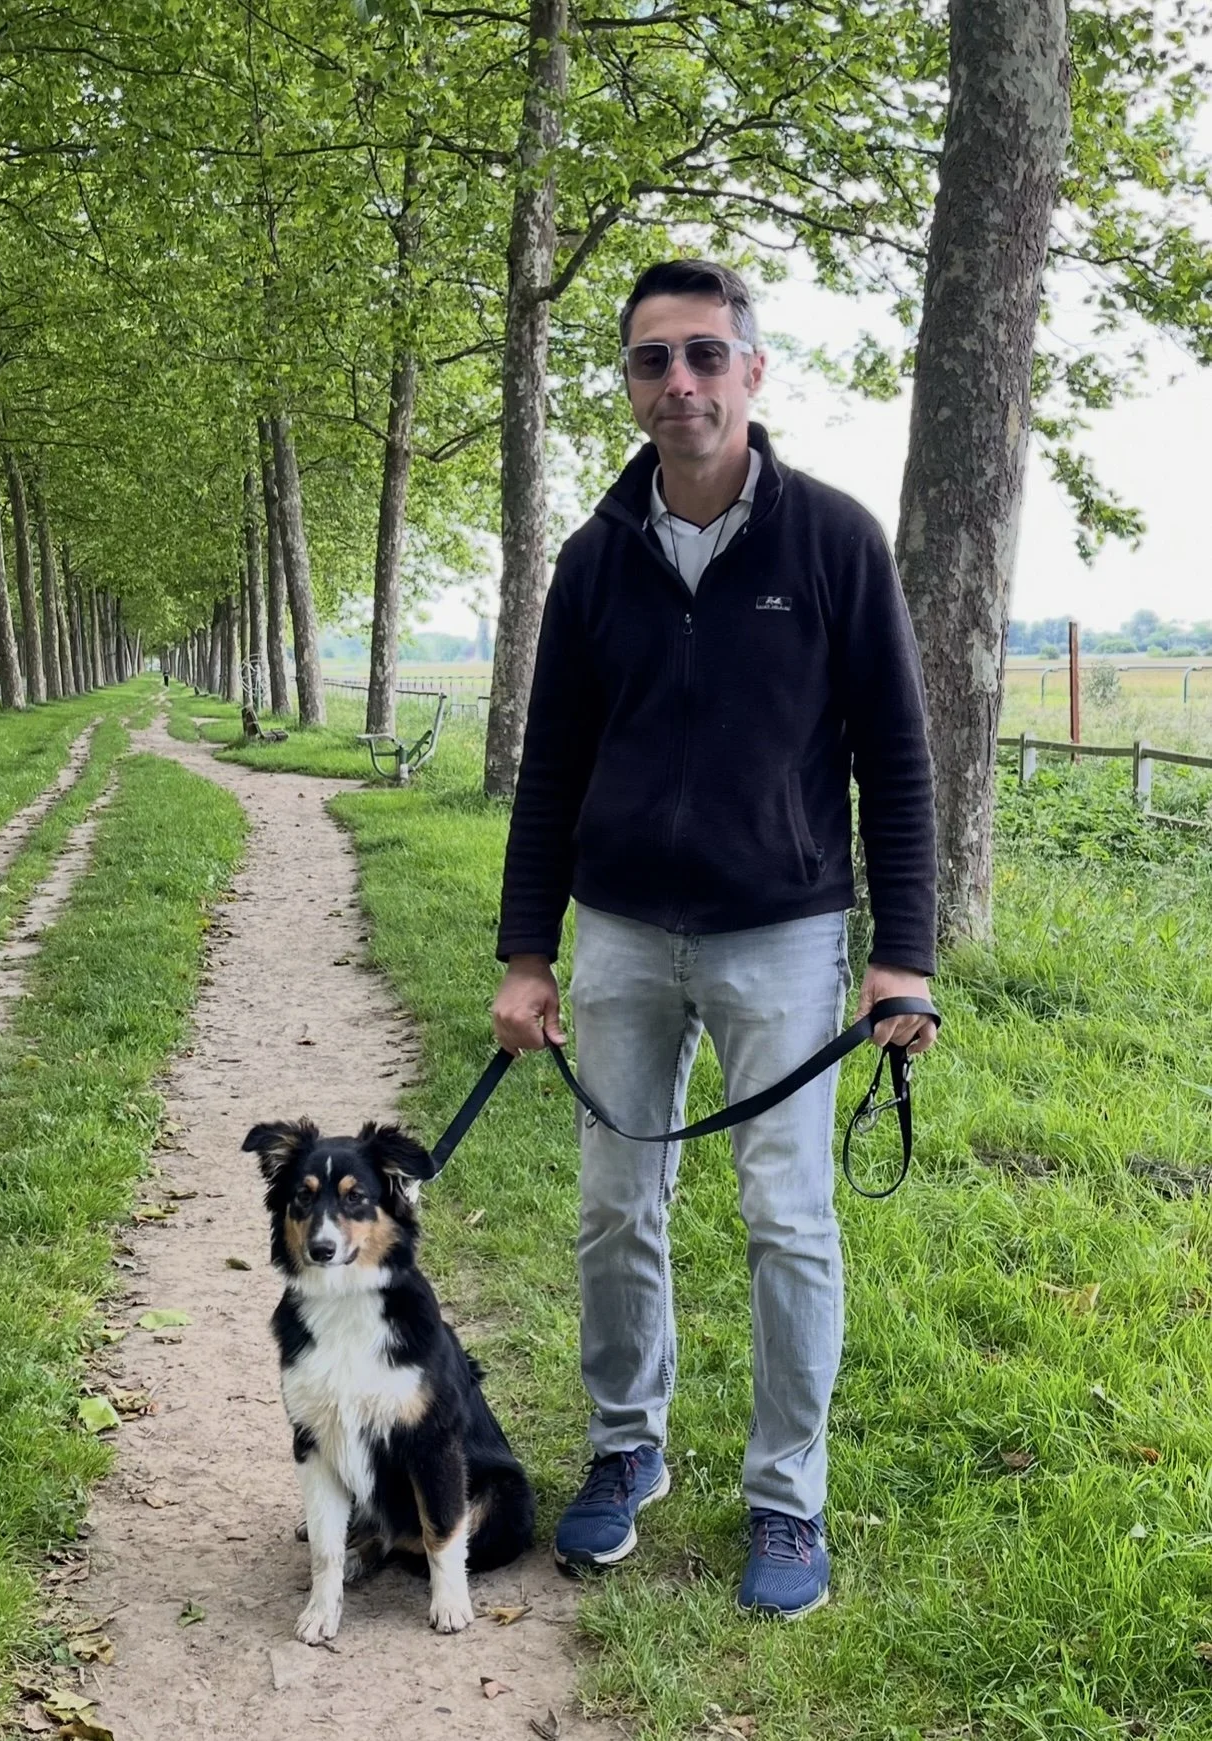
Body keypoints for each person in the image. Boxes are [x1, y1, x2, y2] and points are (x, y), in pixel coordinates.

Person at [491, 259, 938, 1620]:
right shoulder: (591, 557)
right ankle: (627, 1449)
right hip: (622, 934)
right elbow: (550, 766)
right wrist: (526, 953)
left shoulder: (834, 541)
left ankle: (785, 1501)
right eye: (649, 361)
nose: (675, 382)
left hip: (782, 940)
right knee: (616, 1206)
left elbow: (897, 762)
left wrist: (901, 950)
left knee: (785, 1220)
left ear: (750, 370)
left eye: (701, 355)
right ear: (627, 384)